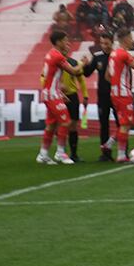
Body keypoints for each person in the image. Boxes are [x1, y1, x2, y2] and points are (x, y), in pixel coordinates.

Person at [36, 30, 84, 165]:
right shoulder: (57, 56)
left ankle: (43, 154)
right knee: (66, 122)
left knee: (51, 125)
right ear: (58, 42)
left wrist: (59, 93)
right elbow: (74, 71)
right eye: (65, 40)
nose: (67, 42)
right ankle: (60, 153)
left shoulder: (50, 54)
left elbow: (49, 77)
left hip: (50, 93)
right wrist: (82, 63)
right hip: (51, 94)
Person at [105, 27, 134, 163]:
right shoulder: (124, 54)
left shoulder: (113, 54)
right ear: (125, 39)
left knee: (128, 122)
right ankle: (121, 155)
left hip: (115, 92)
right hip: (123, 93)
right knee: (126, 123)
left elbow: (107, 76)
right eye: (131, 38)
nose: (132, 41)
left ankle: (109, 143)